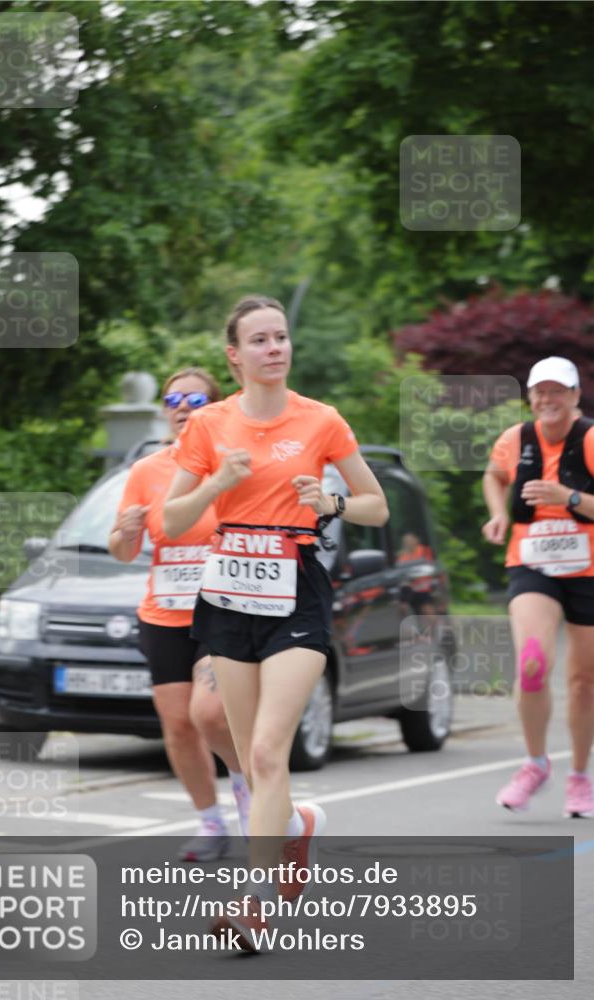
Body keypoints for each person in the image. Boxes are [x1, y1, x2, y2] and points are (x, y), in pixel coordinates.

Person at [163, 295, 389, 948]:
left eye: (281, 337)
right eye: (259, 340)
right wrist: (214, 485)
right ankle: (292, 823)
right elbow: (172, 521)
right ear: (234, 355)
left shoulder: (321, 421)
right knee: (248, 755)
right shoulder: (207, 427)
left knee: (265, 750)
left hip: (296, 587)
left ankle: (253, 904)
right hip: (229, 590)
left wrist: (333, 501)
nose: (274, 348)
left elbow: (374, 504)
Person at [109, 367, 251, 860]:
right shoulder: (146, 471)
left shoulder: (233, 466)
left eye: (194, 398)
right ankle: (211, 824)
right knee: (178, 725)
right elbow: (123, 551)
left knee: (209, 714)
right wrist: (126, 531)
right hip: (164, 613)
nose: (182, 407)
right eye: (172, 400)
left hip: (224, 610)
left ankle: (250, 793)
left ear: (215, 408)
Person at [482, 356, 594, 818]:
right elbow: (493, 474)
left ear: (574, 396)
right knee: (532, 663)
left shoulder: (588, 439)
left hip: (587, 567)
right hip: (532, 564)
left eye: (557, 391)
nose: (548, 400)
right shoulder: (516, 438)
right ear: (530, 398)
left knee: (583, 681)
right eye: (539, 392)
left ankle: (580, 777)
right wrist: (499, 512)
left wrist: (567, 497)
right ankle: (534, 762)